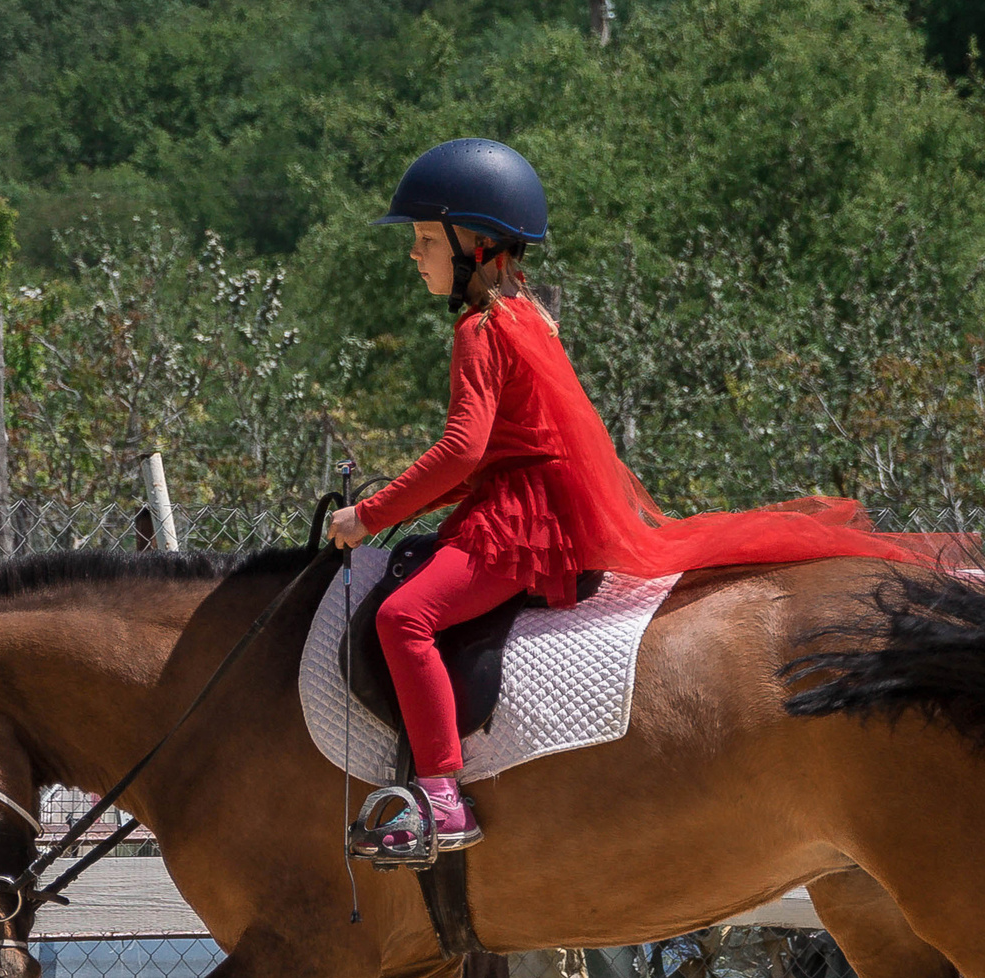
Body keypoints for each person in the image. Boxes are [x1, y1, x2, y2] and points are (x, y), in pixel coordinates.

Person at [331, 138, 936, 851]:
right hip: (533, 504)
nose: (415, 254)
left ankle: (440, 795)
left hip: (521, 520)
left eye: (427, 238)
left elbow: (463, 448)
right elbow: (487, 453)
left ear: (477, 244)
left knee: (404, 616)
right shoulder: (525, 315)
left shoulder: (479, 329)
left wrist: (369, 514)